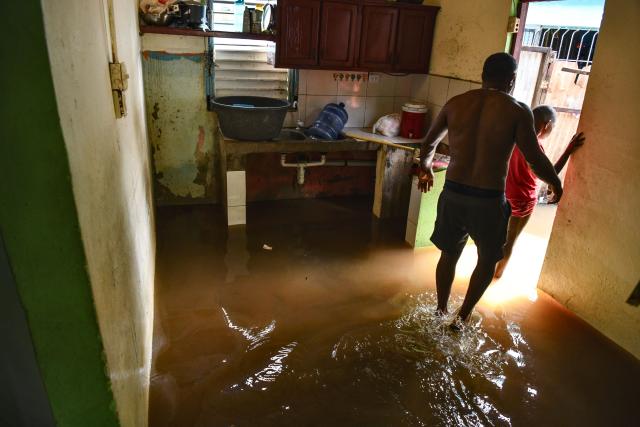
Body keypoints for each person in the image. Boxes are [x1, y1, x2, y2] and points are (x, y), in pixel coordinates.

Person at [417, 52, 563, 327]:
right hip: (488, 200)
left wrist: (425, 169)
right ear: (512, 80)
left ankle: (440, 309)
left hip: (453, 194)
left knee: (448, 254)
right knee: (486, 260)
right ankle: (461, 318)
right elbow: (534, 158)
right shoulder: (517, 110)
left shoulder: (456, 103)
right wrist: (555, 181)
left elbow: (428, 145)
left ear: (483, 76)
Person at [494, 106, 585, 278]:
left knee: (499, 240)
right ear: (547, 125)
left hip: (504, 195)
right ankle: (495, 278)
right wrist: (568, 150)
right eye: (553, 127)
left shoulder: (513, 136)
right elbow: (550, 173)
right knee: (510, 242)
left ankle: (488, 274)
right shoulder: (533, 146)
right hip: (522, 199)